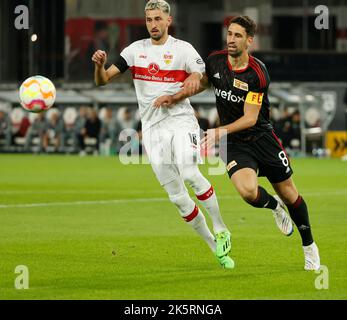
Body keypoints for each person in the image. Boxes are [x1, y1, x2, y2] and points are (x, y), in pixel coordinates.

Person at [155, 15, 320, 271]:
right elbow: (203, 84)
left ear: (249, 40)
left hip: (261, 137)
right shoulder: (215, 61)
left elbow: (251, 117)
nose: (231, 39)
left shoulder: (257, 73)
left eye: (237, 35)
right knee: (247, 191)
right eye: (229, 34)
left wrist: (220, 130)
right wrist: (176, 96)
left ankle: (309, 246)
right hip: (234, 142)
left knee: (290, 193)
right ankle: (274, 207)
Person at [92, 0, 233, 269]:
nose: (153, 24)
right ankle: (215, 247)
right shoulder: (135, 51)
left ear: (169, 20)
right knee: (178, 199)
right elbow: (102, 80)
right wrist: (99, 65)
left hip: (180, 121)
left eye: (158, 19)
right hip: (152, 130)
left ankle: (221, 227)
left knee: (190, 173)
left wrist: (194, 79)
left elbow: (201, 74)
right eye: (148, 20)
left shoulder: (182, 49)